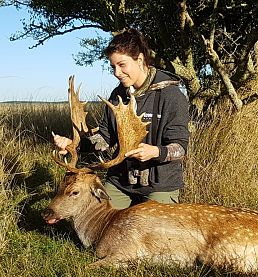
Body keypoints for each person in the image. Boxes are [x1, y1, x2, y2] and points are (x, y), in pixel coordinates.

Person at [54, 28, 190, 209]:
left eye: (122, 65)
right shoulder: (117, 94)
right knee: (97, 219)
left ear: (140, 59)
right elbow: (104, 138)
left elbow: (180, 147)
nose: (116, 73)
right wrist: (75, 145)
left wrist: (155, 152)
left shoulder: (171, 94)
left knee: (151, 232)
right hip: (121, 180)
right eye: (112, 67)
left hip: (159, 183)